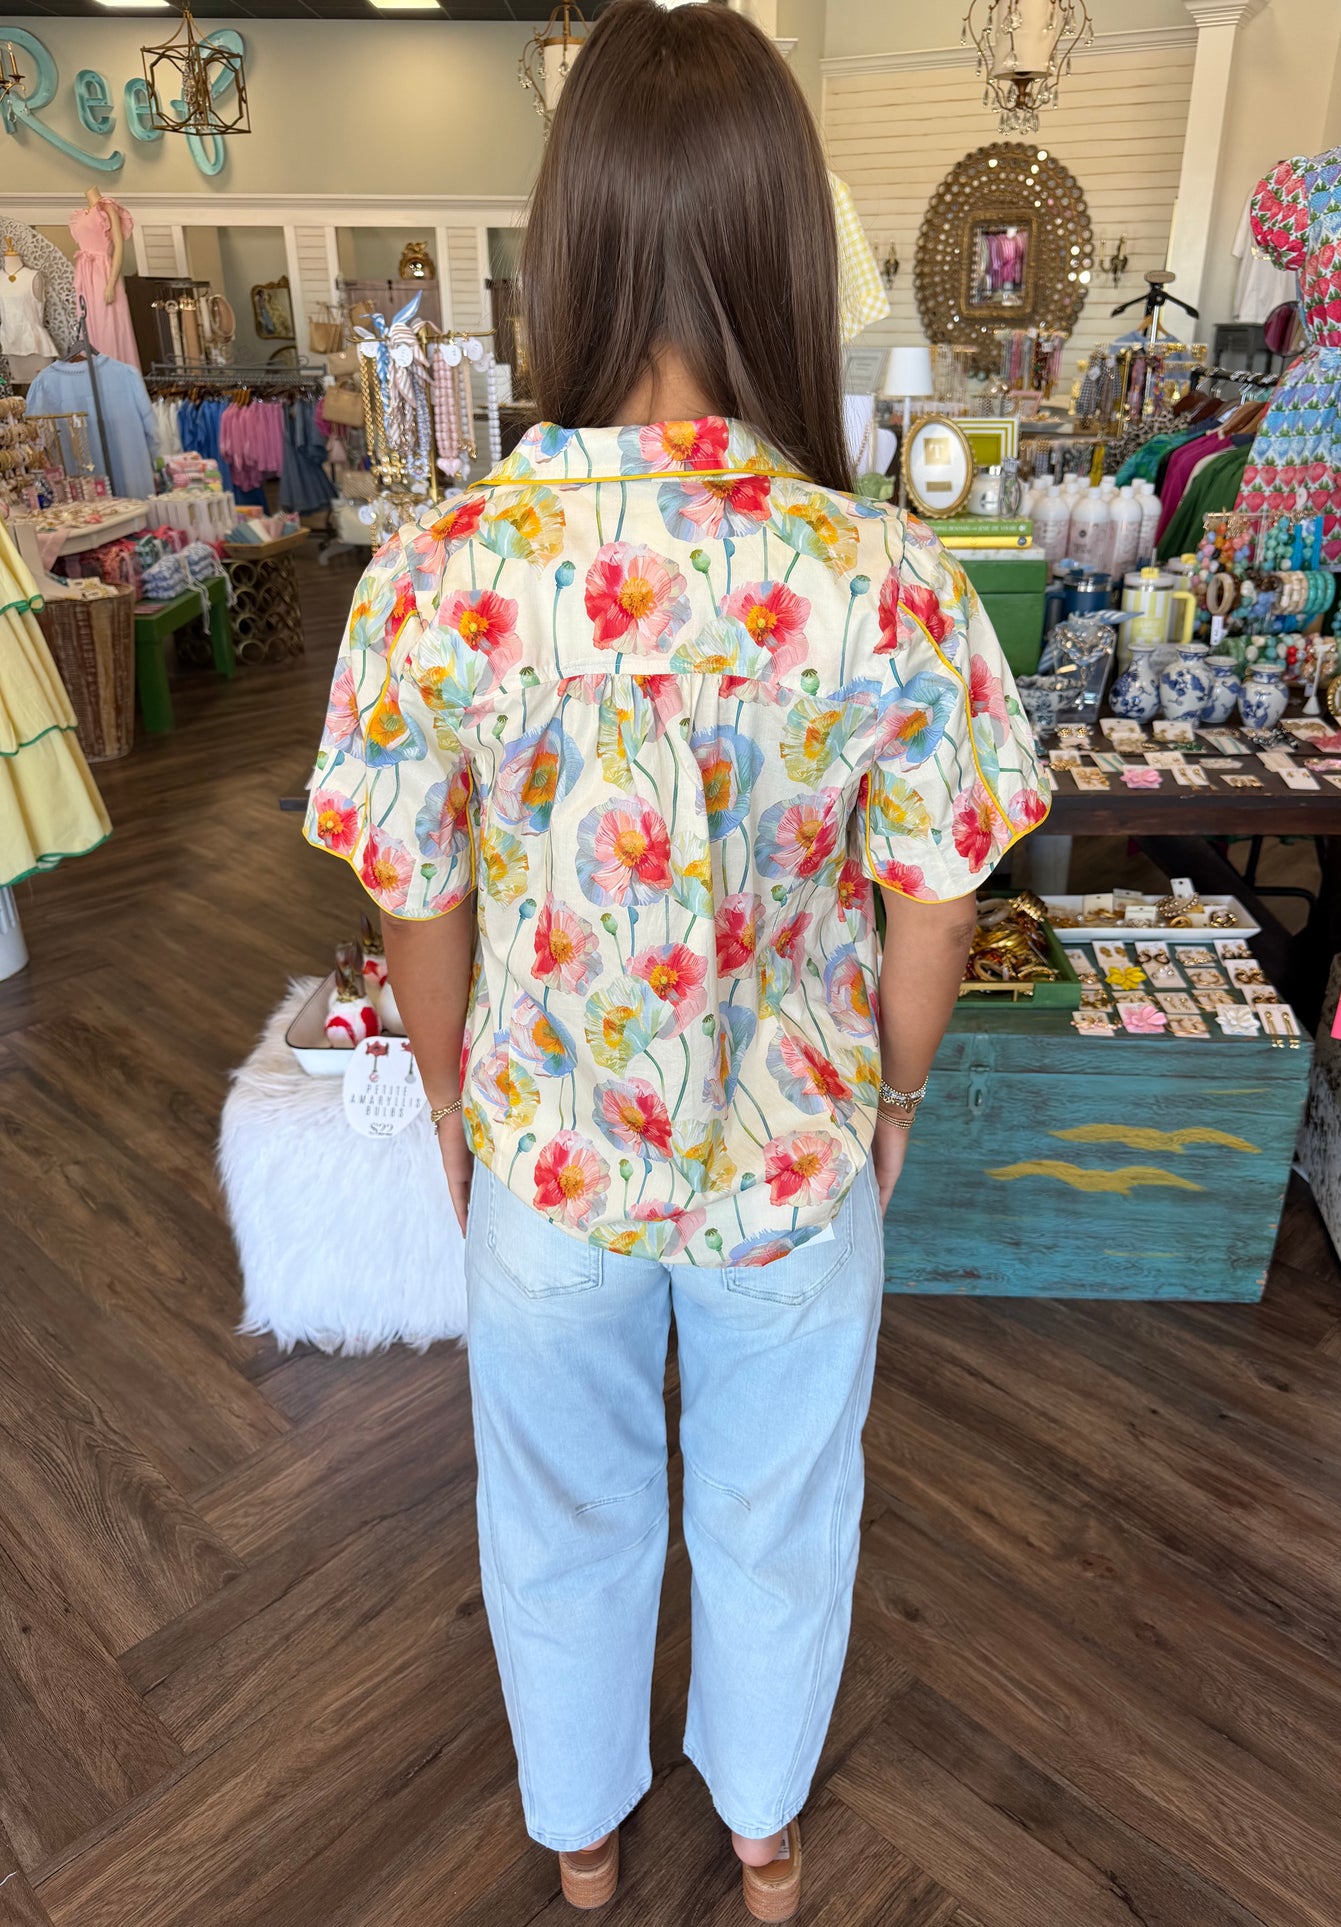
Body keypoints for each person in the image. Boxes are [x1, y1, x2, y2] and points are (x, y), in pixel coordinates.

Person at [303, 2, 1048, 1914]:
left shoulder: (439, 570)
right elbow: (937, 899)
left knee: (555, 1503)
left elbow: (417, 894)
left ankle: (574, 1829)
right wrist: (891, 1095)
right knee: (781, 1506)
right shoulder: (882, 576)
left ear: (571, 239)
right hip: (789, 1149)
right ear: (785, 242)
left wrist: (459, 1105)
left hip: (551, 1146)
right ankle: (763, 1817)